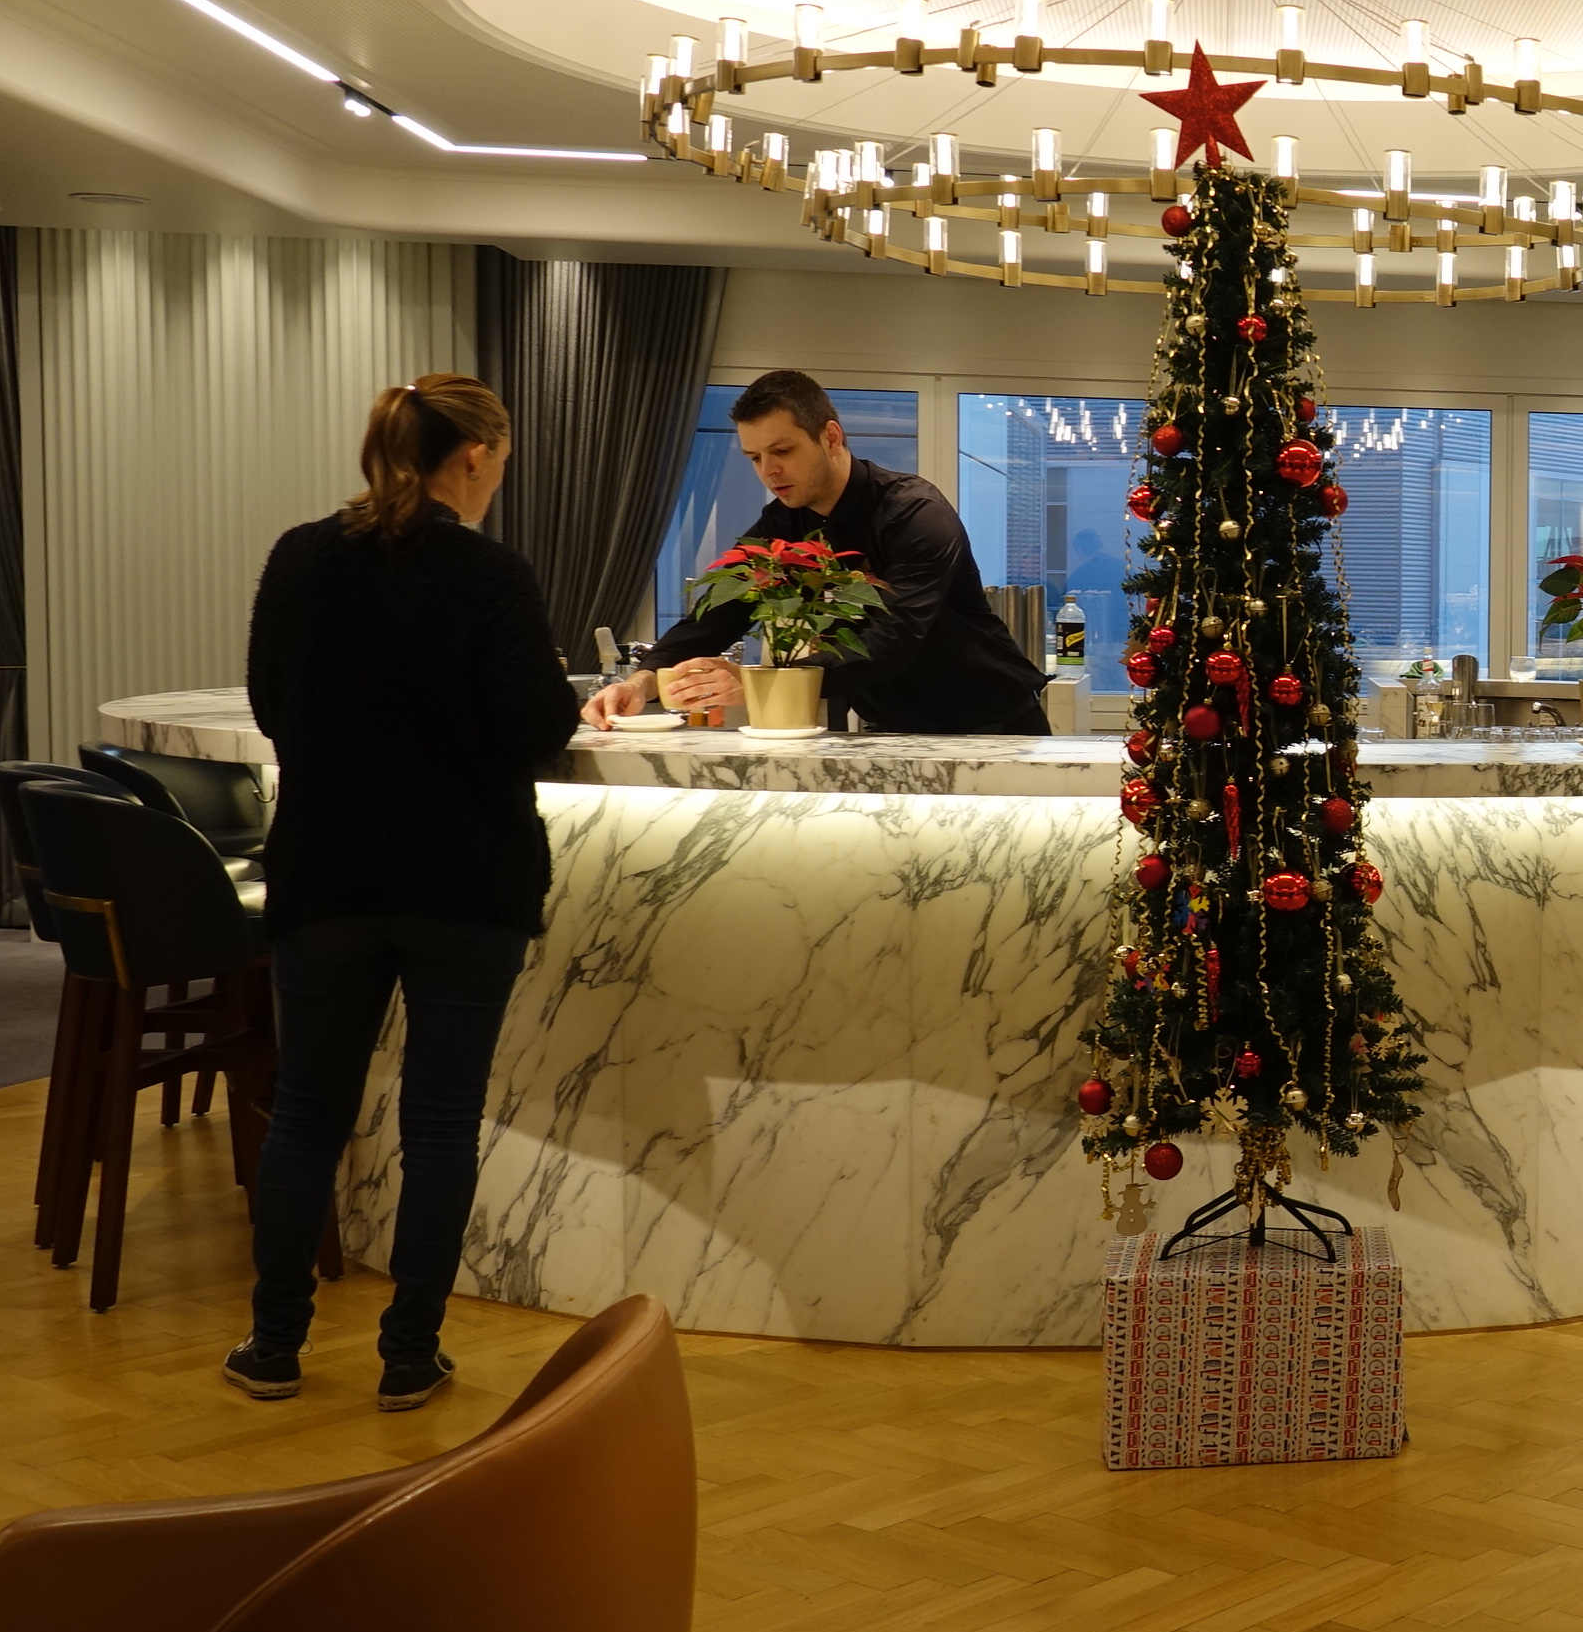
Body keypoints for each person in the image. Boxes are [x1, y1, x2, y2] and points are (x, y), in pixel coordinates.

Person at [231, 373, 578, 1409]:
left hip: (327, 873)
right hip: (465, 885)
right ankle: (408, 1355)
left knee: (304, 1116)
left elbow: (269, 703)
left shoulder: (301, 557)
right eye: (501, 462)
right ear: (473, 456)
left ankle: (274, 1345)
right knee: (437, 1125)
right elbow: (537, 731)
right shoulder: (491, 577)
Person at [587, 368, 1048, 735]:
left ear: (830, 437)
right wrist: (641, 681)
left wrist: (754, 683)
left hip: (994, 725)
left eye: (782, 450)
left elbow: (894, 639)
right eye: (754, 457)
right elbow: (716, 614)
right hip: (891, 731)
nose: (768, 470)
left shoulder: (914, 511)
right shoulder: (782, 525)